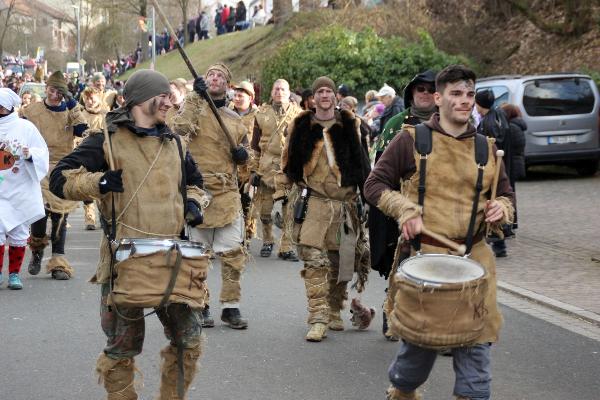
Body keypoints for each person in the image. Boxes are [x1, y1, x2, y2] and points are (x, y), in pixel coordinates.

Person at [49, 69, 207, 400]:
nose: (168, 101)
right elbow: (58, 178)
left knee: (189, 341)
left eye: (169, 95)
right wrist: (98, 182)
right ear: (139, 99)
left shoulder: (175, 143)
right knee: (122, 348)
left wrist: (193, 204)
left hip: (173, 259)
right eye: (161, 95)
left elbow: (196, 184)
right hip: (126, 261)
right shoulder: (106, 140)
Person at [363, 64, 514, 400]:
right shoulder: (411, 140)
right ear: (438, 98)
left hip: (475, 265)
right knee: (414, 361)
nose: (465, 101)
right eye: (456, 94)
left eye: (470, 95)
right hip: (426, 263)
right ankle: (401, 392)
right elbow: (373, 185)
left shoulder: (487, 149)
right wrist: (405, 210)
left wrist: (500, 209)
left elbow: (506, 196)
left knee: (476, 360)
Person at [278, 76, 371, 341]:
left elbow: (365, 163)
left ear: (335, 96)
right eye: (320, 91)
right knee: (314, 260)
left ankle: (333, 309)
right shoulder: (301, 125)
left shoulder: (352, 124)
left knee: (342, 262)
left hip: (346, 206)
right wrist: (278, 197)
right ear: (313, 98)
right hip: (315, 203)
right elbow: (288, 164)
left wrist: (370, 199)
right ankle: (317, 317)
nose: (325, 95)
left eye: (329, 91)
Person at [172, 63, 250, 330]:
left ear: (227, 85)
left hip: (227, 193)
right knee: (197, 255)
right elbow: (179, 130)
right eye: (210, 75)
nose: (214, 78)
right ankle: (201, 305)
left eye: (220, 76)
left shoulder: (236, 119)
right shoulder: (193, 110)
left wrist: (243, 156)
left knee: (233, 254)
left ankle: (231, 307)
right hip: (199, 192)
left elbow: (248, 158)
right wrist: (195, 96)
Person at [367, 69, 438, 340]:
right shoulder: (398, 123)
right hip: (401, 207)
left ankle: (434, 327)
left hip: (437, 208)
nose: (425, 94)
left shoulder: (448, 124)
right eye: (420, 89)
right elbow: (381, 171)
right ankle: (393, 312)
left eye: (431, 89)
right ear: (411, 93)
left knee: (436, 268)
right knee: (402, 263)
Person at [21, 71, 88, 280]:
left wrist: (72, 105)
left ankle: (59, 261)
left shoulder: (69, 110)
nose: (54, 95)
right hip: (38, 166)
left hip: (63, 166)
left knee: (60, 215)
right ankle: (37, 249)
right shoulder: (31, 111)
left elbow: (82, 129)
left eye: (59, 92)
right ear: (46, 89)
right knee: (39, 213)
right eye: (51, 90)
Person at [0, 89, 49, 290]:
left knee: (19, 231)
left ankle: (14, 274)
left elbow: (42, 151)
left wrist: (30, 155)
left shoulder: (25, 127)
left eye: (2, 106)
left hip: (20, 188)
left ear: (10, 107)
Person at [251, 79, 303, 261]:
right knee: (264, 212)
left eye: (283, 89)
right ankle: (267, 241)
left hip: (289, 170)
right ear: (271, 92)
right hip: (266, 168)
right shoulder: (261, 114)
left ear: (289, 93)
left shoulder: (300, 115)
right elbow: (255, 146)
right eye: (276, 89)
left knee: (289, 212)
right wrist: (253, 171)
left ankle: (286, 247)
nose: (279, 92)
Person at [475, 89, 513, 257]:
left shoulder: (488, 124)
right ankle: (499, 240)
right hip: (502, 166)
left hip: (494, 169)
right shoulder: (498, 115)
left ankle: (498, 242)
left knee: (493, 203)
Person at [230, 80, 259, 243]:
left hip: (249, 166)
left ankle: (246, 235)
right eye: (235, 95)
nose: (237, 98)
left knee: (248, 202)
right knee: (233, 202)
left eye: (241, 95)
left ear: (250, 98)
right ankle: (235, 235)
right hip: (231, 165)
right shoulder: (227, 112)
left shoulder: (258, 116)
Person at [79, 86, 110, 230]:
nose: (90, 101)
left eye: (92, 98)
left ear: (98, 97)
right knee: (86, 188)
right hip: (85, 154)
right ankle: (90, 218)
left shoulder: (106, 114)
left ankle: (105, 215)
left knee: (102, 186)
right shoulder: (81, 114)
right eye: (87, 98)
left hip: (103, 154)